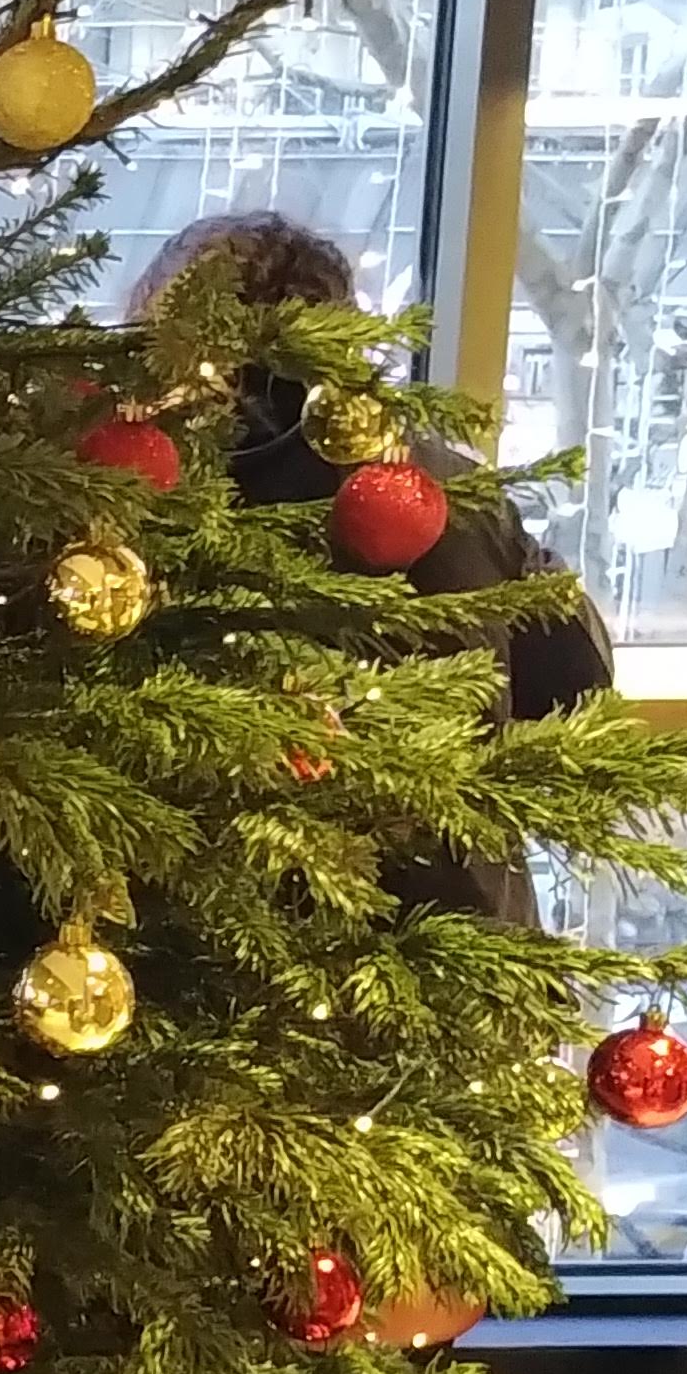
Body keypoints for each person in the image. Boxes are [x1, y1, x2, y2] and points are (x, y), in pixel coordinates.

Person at [129, 211, 614, 923]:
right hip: (461, 929)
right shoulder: (449, 488)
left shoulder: (143, 509)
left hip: (224, 941)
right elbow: (575, 684)